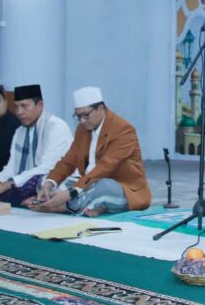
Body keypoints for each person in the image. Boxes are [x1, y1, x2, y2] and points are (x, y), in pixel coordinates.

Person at [27, 86, 151, 216]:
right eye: (78, 116)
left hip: (122, 189)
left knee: (101, 187)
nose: (82, 120)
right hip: (88, 182)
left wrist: (71, 193)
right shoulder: (82, 129)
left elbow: (105, 168)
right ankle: (92, 204)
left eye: (86, 115)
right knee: (44, 181)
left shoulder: (123, 130)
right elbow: (69, 161)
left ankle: (62, 206)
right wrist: (49, 183)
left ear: (101, 108)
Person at [0, 84, 72, 206]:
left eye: (24, 106)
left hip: (51, 179)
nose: (19, 112)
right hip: (23, 180)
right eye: (16, 107)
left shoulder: (56, 126)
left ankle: (33, 198)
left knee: (39, 181)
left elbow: (47, 167)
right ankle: (29, 199)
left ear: (40, 105)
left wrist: (7, 184)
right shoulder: (19, 131)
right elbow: (12, 167)